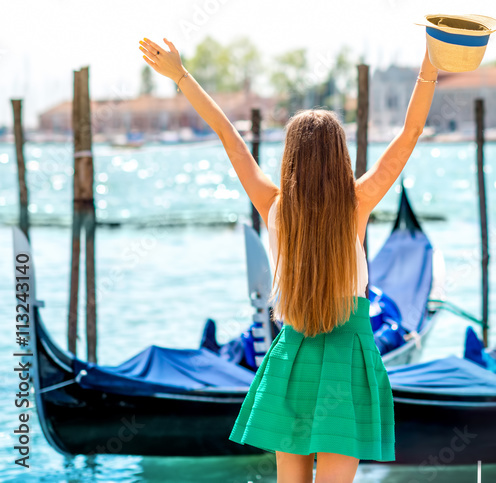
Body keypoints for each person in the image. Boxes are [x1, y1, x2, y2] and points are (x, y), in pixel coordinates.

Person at [138, 37, 438, 483]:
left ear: (291, 157)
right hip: (348, 358)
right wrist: (431, 61)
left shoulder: (274, 206)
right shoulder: (356, 203)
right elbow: (410, 133)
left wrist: (181, 76)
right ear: (340, 157)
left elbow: (229, 135)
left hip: (293, 354)